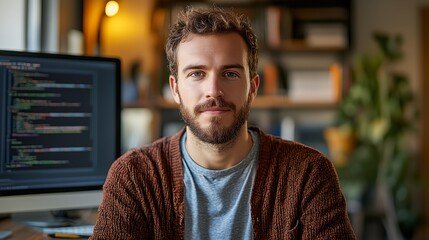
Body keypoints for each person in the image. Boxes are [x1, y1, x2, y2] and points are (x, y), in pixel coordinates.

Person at [90, 6, 356, 240]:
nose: (213, 90)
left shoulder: (308, 174)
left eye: (230, 73)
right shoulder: (135, 176)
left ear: (252, 87)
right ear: (175, 88)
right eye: (197, 74)